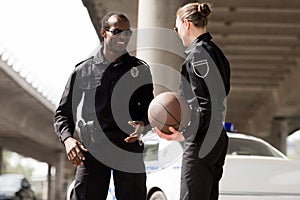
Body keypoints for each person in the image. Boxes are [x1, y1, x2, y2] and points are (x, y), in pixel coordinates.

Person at [54, 12, 154, 200]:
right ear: (103, 32)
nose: (123, 37)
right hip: (93, 149)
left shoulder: (140, 70)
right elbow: (63, 113)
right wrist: (68, 139)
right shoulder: (84, 70)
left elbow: (150, 111)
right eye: (117, 32)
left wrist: (143, 125)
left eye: (127, 33)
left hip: (128, 148)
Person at [153, 2, 231, 200]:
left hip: (202, 140)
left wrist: (184, 134)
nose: (176, 31)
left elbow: (205, 104)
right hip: (217, 138)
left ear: (187, 24)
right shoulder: (217, 53)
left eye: (176, 26)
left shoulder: (197, 55)